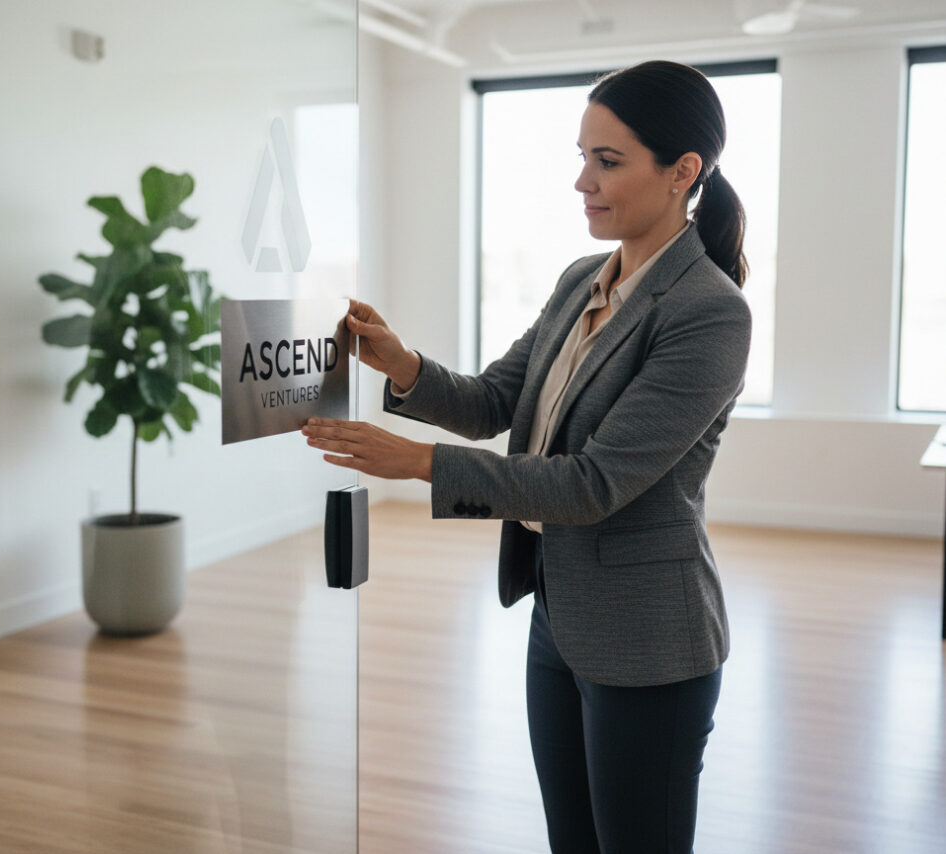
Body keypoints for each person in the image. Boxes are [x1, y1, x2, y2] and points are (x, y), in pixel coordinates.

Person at [302, 60, 752, 853]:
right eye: (582, 156)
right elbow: (493, 402)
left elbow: (593, 484)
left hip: (650, 644)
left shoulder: (709, 313)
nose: (583, 180)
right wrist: (399, 362)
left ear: (683, 172)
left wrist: (414, 464)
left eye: (607, 161)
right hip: (558, 612)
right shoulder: (583, 280)